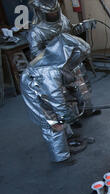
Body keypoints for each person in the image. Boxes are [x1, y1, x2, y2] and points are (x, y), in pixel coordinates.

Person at [21, 33, 91, 166]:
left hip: (42, 84)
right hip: (33, 89)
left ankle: (68, 137)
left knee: (64, 108)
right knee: (51, 121)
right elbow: (55, 98)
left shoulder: (56, 59)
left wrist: (75, 96)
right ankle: (60, 157)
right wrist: (65, 114)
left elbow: (63, 84)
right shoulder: (49, 71)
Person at [27, 0, 99, 121]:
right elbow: (36, 55)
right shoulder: (36, 31)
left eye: (56, 12)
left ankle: (87, 109)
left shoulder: (63, 19)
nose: (54, 15)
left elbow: (70, 33)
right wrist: (55, 59)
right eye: (51, 14)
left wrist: (82, 26)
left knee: (83, 87)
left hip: (73, 61)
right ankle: (72, 118)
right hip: (55, 67)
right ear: (41, 13)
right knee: (64, 94)